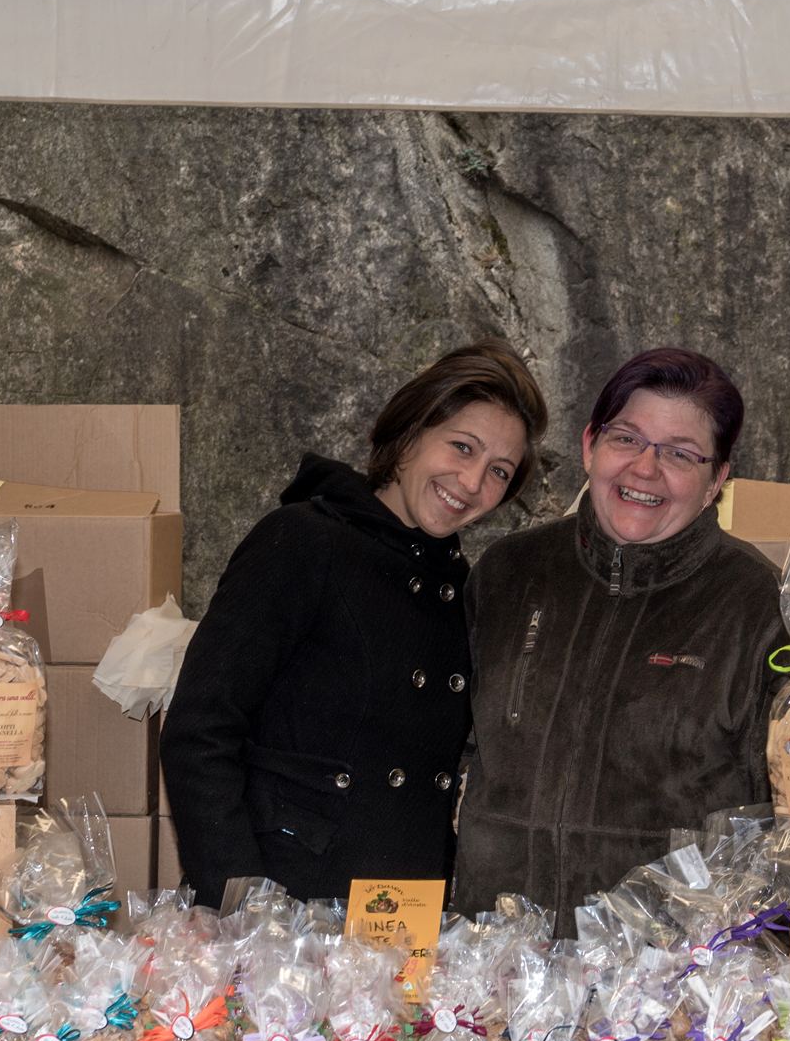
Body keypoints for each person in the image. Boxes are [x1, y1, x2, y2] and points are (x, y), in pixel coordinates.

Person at [161, 338, 549, 904]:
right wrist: (239, 907)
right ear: (410, 434)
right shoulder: (304, 541)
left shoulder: (460, 590)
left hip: (404, 915)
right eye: (462, 447)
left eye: (498, 471)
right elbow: (200, 730)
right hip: (287, 909)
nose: (471, 483)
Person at [452, 347, 787, 920]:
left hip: (668, 962)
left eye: (679, 453)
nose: (645, 469)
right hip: (495, 952)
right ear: (589, 446)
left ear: (716, 481)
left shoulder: (757, 603)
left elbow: (787, 828)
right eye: (627, 439)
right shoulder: (508, 573)